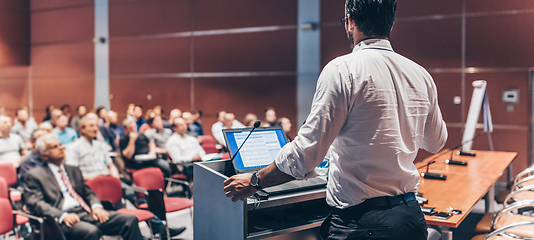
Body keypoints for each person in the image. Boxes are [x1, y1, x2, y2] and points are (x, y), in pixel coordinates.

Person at [223, 1, 448, 239]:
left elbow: (304, 156)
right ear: (390, 21)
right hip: (410, 218)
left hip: (362, 224)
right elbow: (436, 142)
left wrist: (255, 181)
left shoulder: (343, 69)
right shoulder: (420, 74)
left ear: (350, 21)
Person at [22, 134, 145, 240]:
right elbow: (36, 203)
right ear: (44, 155)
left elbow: (88, 192)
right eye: (55, 147)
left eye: (60, 145)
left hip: (85, 212)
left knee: (129, 220)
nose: (61, 148)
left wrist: (96, 206)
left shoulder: (72, 169)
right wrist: (62, 215)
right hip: (62, 219)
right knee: (91, 231)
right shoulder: (35, 175)